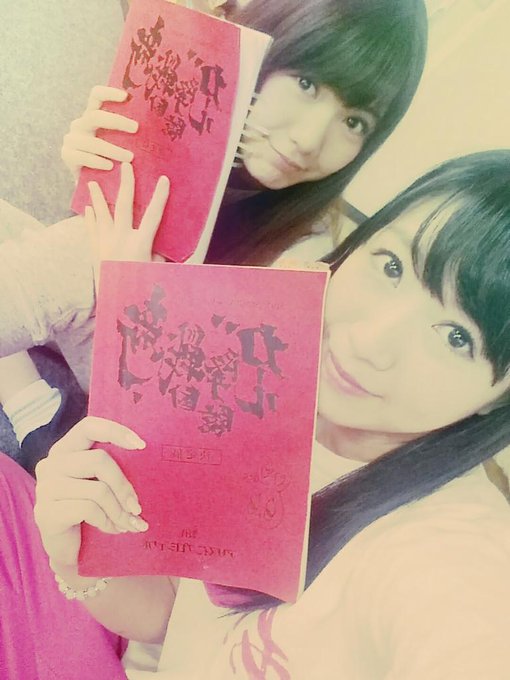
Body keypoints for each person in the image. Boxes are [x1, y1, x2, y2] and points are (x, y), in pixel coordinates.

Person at [1, 150, 509, 678]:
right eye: (392, 266)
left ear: (500, 399)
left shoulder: (451, 552)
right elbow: (176, 611)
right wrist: (76, 557)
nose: (369, 342)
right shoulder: (271, 372)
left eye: (458, 338)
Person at [0, 0, 428, 470]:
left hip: (137, 423)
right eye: (307, 83)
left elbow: (203, 432)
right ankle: (37, 414)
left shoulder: (302, 259)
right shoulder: (195, 136)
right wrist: (96, 175)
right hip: (84, 352)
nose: (309, 139)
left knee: (80, 252)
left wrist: (135, 299)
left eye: (354, 122)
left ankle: (37, 415)